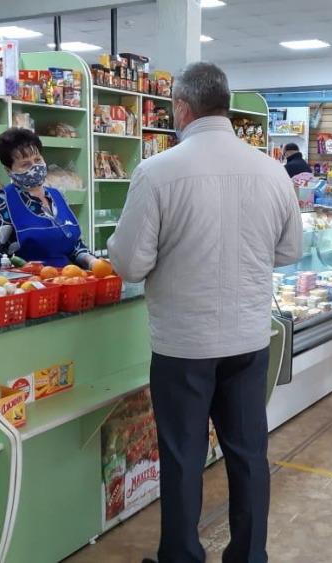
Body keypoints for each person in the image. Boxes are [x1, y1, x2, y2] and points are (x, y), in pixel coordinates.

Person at [107, 62, 302, 563]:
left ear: (182, 108)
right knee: (248, 453)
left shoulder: (157, 172)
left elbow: (129, 264)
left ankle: (181, 556)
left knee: (183, 457)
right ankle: (249, 555)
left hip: (184, 344)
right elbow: (289, 251)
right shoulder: (272, 171)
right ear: (226, 105)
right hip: (249, 338)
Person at [0, 128, 96, 269]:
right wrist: (16, 267)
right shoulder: (2, 202)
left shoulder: (57, 196)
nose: (35, 167)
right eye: (25, 164)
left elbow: (73, 245)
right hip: (26, 280)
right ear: (9, 170)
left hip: (66, 278)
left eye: (37, 159)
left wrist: (92, 262)